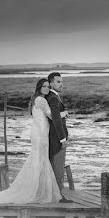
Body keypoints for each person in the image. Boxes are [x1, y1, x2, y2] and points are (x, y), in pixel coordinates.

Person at [45, 71, 72, 201]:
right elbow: (56, 120)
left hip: (51, 139)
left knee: (53, 168)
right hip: (57, 140)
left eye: (62, 82)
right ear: (50, 84)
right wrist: (63, 139)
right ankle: (59, 196)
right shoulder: (54, 99)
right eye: (58, 82)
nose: (61, 84)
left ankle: (53, 195)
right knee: (58, 169)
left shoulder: (51, 97)